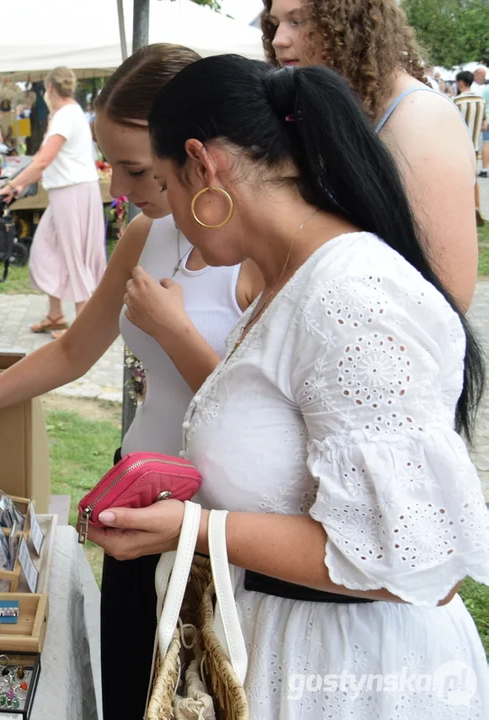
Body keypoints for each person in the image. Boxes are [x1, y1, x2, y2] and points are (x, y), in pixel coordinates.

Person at [91, 54, 489, 718]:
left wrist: (191, 528)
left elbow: (414, 561)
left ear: (203, 166)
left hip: (350, 675)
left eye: (160, 181)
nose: (168, 219)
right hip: (286, 650)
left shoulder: (352, 297)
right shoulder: (289, 281)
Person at [0, 46, 261, 715]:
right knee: (126, 687)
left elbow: (258, 418)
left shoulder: (259, 252)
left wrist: (174, 331)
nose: (118, 188)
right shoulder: (145, 234)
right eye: (112, 165)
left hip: (211, 529)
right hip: (135, 496)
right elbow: (71, 352)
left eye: (135, 168)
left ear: (196, 152)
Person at [263, 0, 480, 309]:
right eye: (276, 23)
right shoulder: (335, 108)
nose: (278, 39)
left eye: (298, 22)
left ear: (351, 25)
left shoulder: (421, 118)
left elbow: (448, 295)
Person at [0, 67, 106, 339]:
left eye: (45, 90)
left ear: (51, 89)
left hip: (73, 191)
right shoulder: (69, 113)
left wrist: (11, 185)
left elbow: (43, 160)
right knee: (45, 249)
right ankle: (55, 314)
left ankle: (81, 325)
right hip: (68, 191)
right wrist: (17, 186)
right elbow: (47, 163)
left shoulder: (66, 115)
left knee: (74, 254)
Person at [454, 71, 486, 225]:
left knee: (459, 180)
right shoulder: (480, 100)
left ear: (460, 82)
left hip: (459, 146)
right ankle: (477, 207)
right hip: (475, 146)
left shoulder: (457, 101)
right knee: (473, 179)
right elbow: (485, 125)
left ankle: (462, 210)